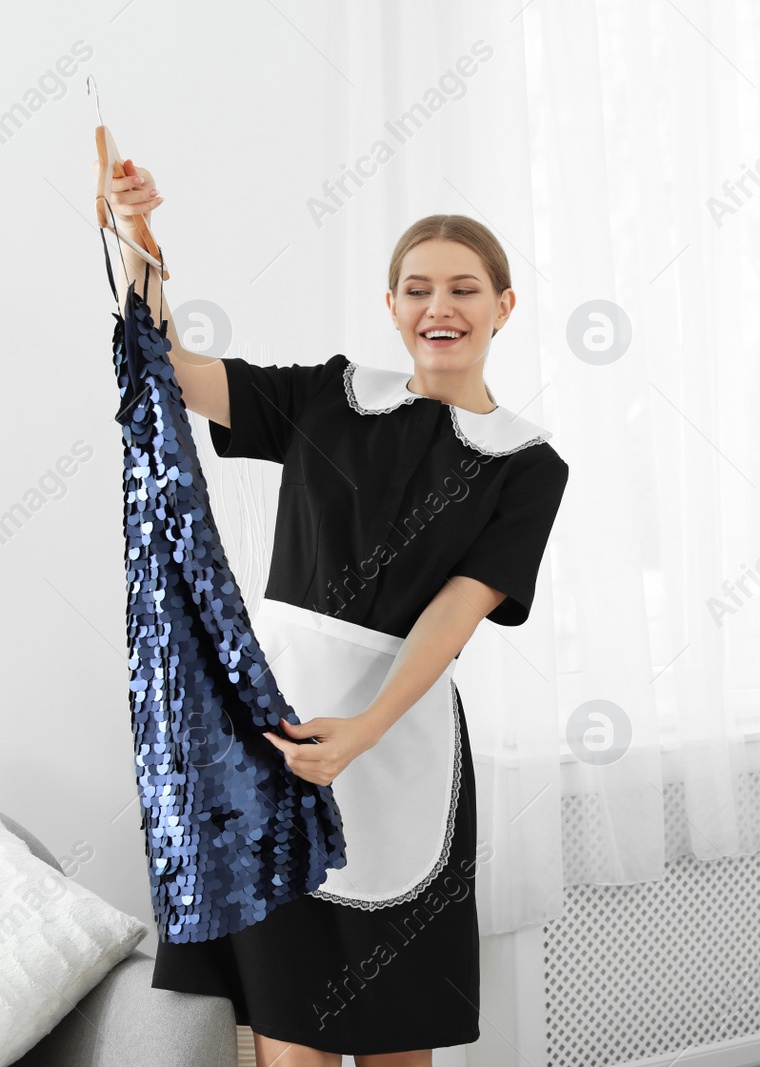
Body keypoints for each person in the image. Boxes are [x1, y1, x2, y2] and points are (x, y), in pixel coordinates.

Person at [99, 163, 568, 1066]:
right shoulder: (330, 397)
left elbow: (453, 616)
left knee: (398, 1042)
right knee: (290, 1044)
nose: (443, 305)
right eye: (419, 288)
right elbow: (171, 370)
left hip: (403, 748)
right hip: (273, 751)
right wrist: (137, 239)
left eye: (465, 288)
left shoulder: (527, 464)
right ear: (391, 304)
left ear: (504, 306)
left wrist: (365, 728)